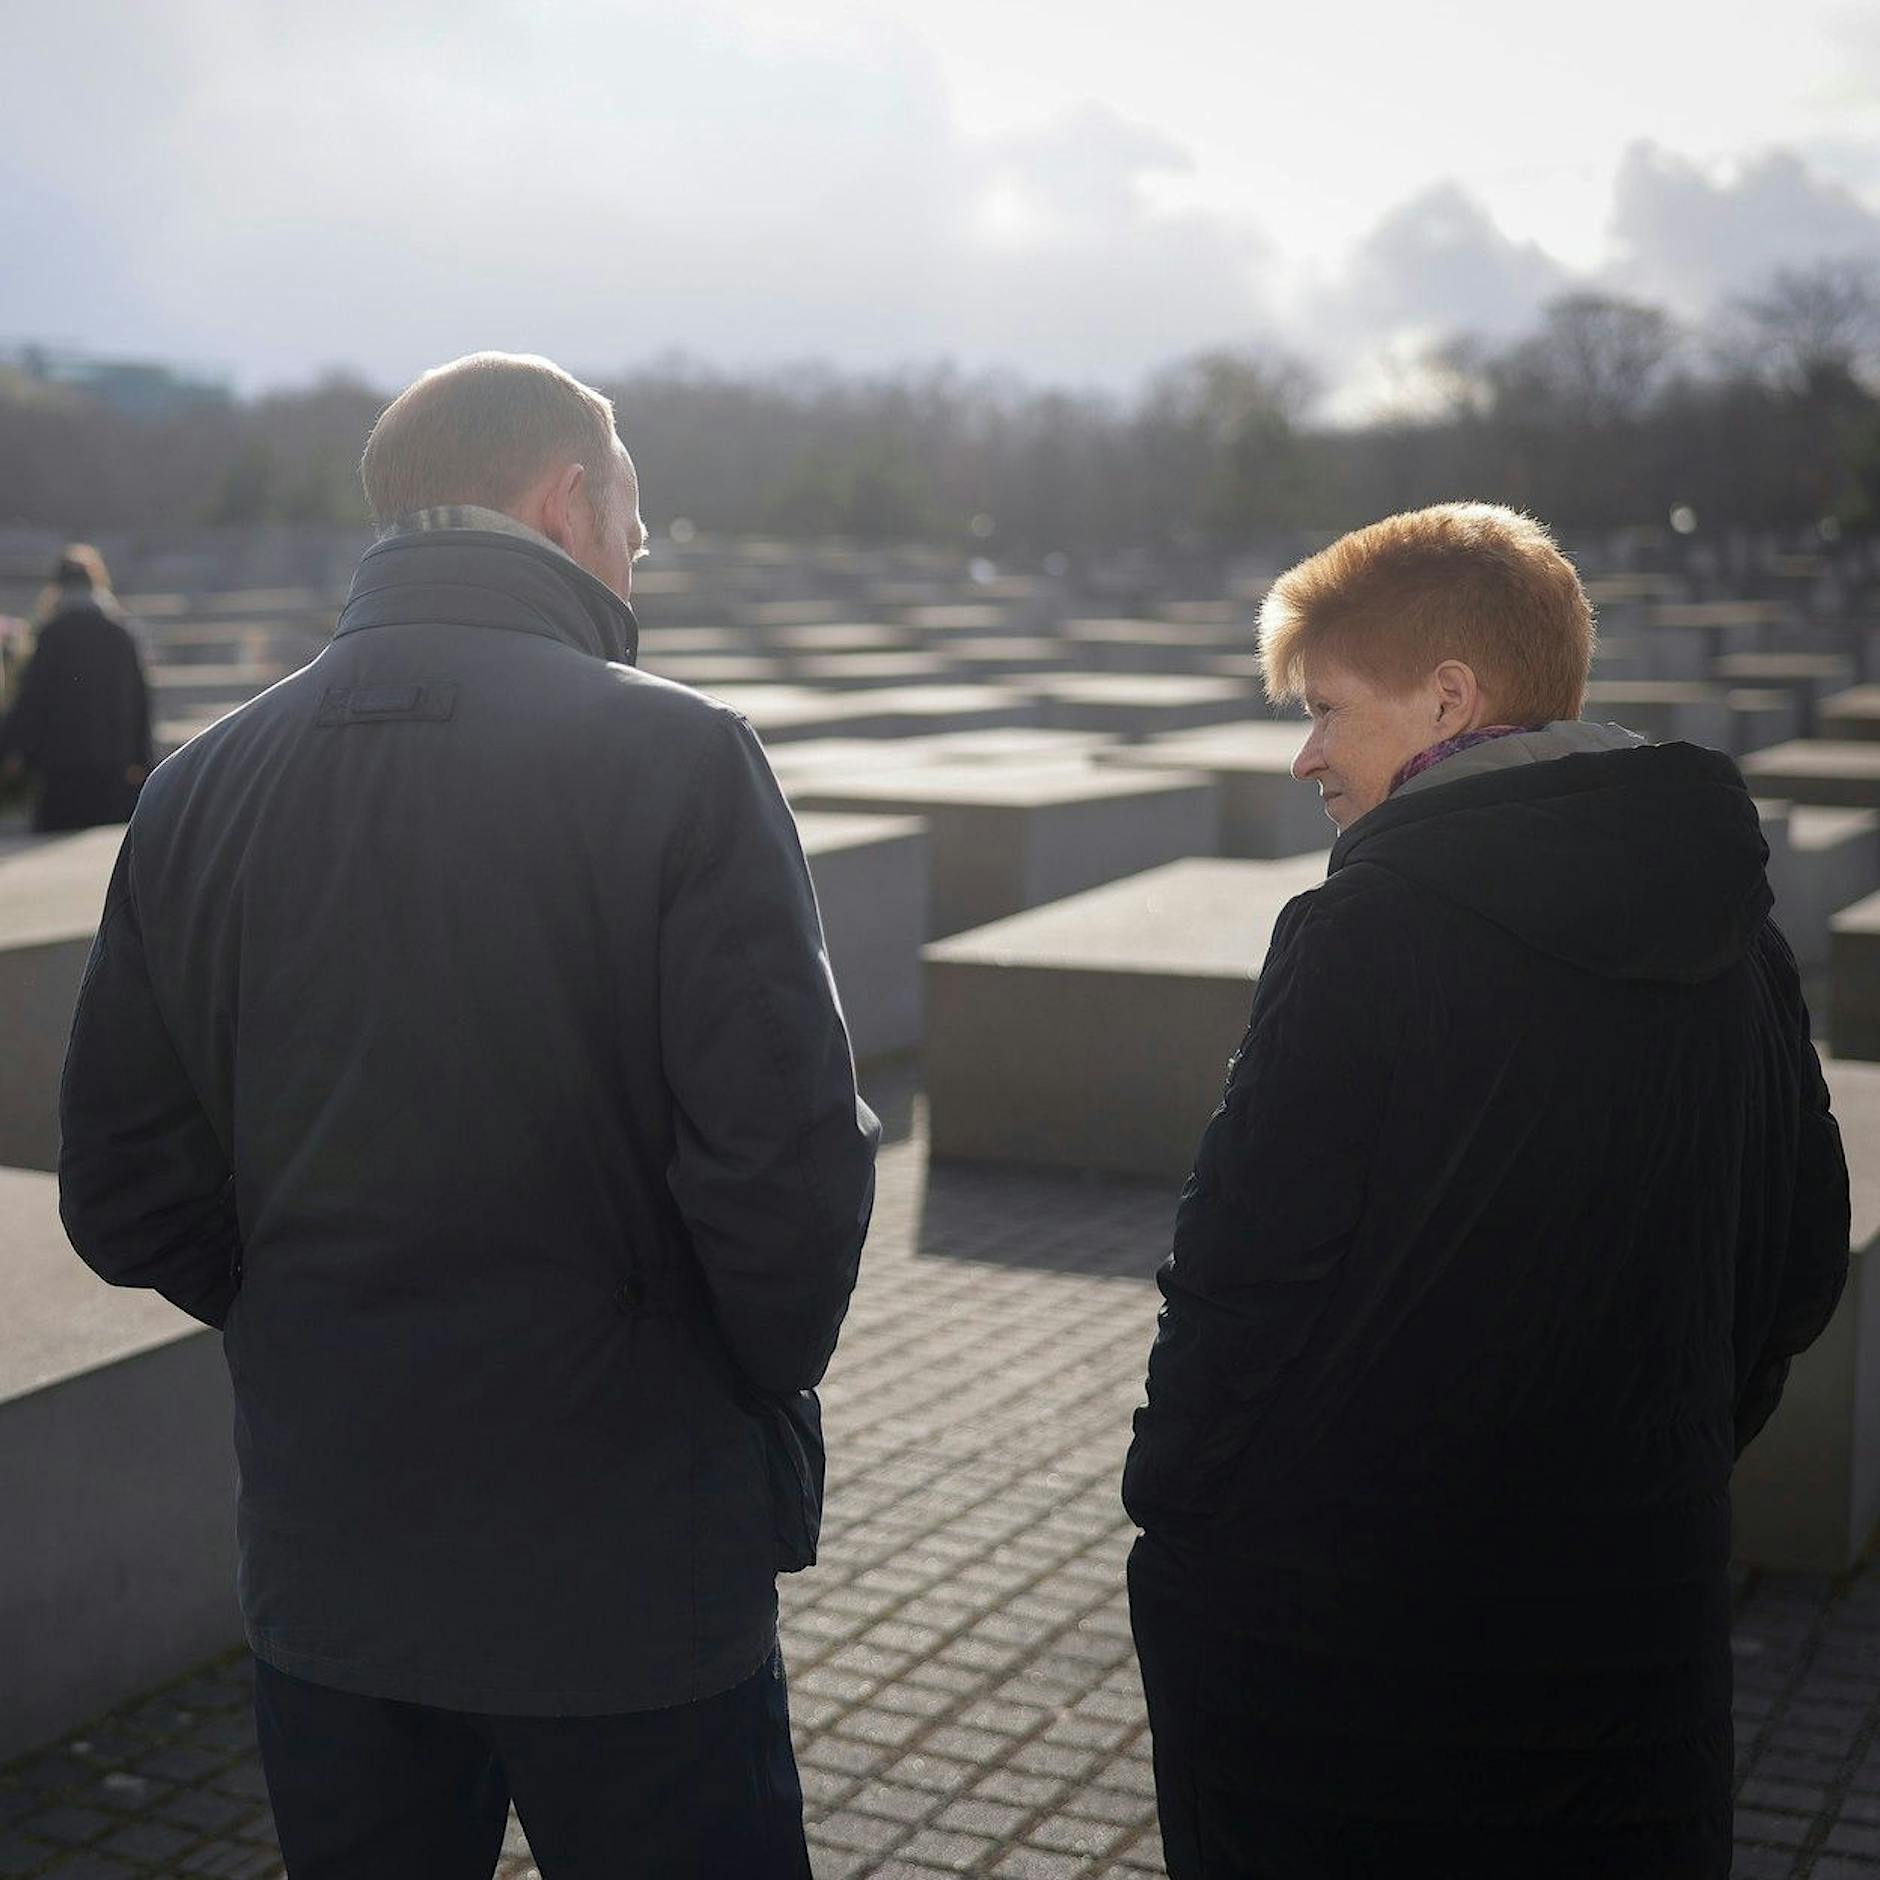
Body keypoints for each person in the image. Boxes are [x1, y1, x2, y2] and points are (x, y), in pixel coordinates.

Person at [58, 352, 880, 1879]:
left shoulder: (198, 789)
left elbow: (120, 1189)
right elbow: (789, 1173)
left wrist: (303, 1309)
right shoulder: (682, 756)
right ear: (571, 499)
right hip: (629, 1573)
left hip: (332, 1568)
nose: (643, 543)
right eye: (637, 506)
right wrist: (719, 1382)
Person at [1122, 502, 1851, 1879]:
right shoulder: (1736, 935)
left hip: (1351, 1676)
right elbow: (1801, 1258)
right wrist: (1661, 1456)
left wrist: (1180, 1523)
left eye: (1329, 709)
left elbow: (1238, 1286)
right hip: (1633, 1656)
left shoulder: (1364, 933)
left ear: (1450, 695)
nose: (1306, 755)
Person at [0, 544, 152, 831]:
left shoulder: (51, 634)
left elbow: (32, 702)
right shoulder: (119, 634)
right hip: (112, 771)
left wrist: (11, 749)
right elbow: (140, 701)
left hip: (62, 774)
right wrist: (142, 760)